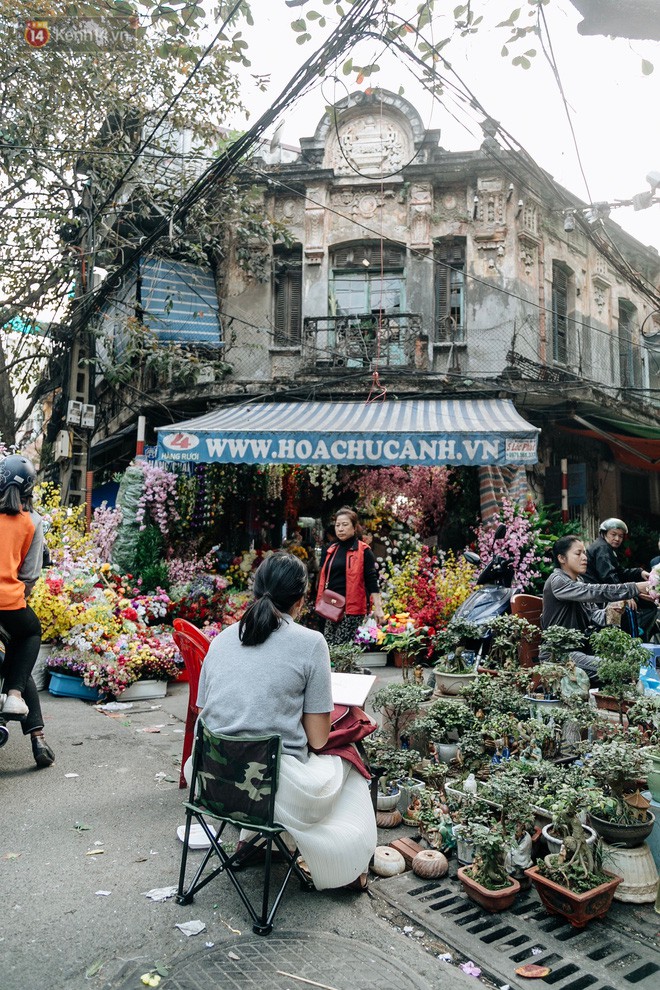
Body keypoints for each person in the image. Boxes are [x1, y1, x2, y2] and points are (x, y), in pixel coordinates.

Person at [194, 551, 376, 890]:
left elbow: (207, 708)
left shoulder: (220, 640)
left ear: (255, 591)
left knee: (260, 748)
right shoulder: (311, 643)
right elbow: (318, 740)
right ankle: (344, 868)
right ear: (302, 600)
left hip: (211, 781)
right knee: (349, 761)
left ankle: (255, 841)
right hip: (270, 785)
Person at [0, 454, 54, 766]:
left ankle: (34, 731)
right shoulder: (32, 521)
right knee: (29, 635)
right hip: (10, 606)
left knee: (14, 659)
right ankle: (20, 703)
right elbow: (31, 574)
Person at [542, 534, 650, 683]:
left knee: (629, 662)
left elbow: (595, 616)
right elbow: (595, 591)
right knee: (621, 670)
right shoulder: (558, 581)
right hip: (559, 654)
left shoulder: (578, 582)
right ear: (562, 558)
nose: (584, 557)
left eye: (584, 552)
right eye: (578, 553)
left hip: (580, 651)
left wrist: (611, 610)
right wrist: (636, 587)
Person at [315, 506, 384, 646]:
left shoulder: (363, 551)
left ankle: (343, 668)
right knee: (328, 646)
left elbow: (372, 581)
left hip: (352, 608)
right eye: (337, 525)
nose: (340, 528)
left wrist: (378, 607)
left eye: (345, 525)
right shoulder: (331, 550)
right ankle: (343, 668)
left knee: (339, 646)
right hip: (332, 605)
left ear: (354, 527)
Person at [585, 518, 657, 640]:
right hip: (599, 598)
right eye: (613, 534)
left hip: (604, 593)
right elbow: (609, 576)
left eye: (621, 536)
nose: (617, 539)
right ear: (604, 533)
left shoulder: (606, 548)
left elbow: (619, 572)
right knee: (631, 610)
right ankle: (633, 639)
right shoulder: (602, 548)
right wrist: (625, 595)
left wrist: (639, 572)